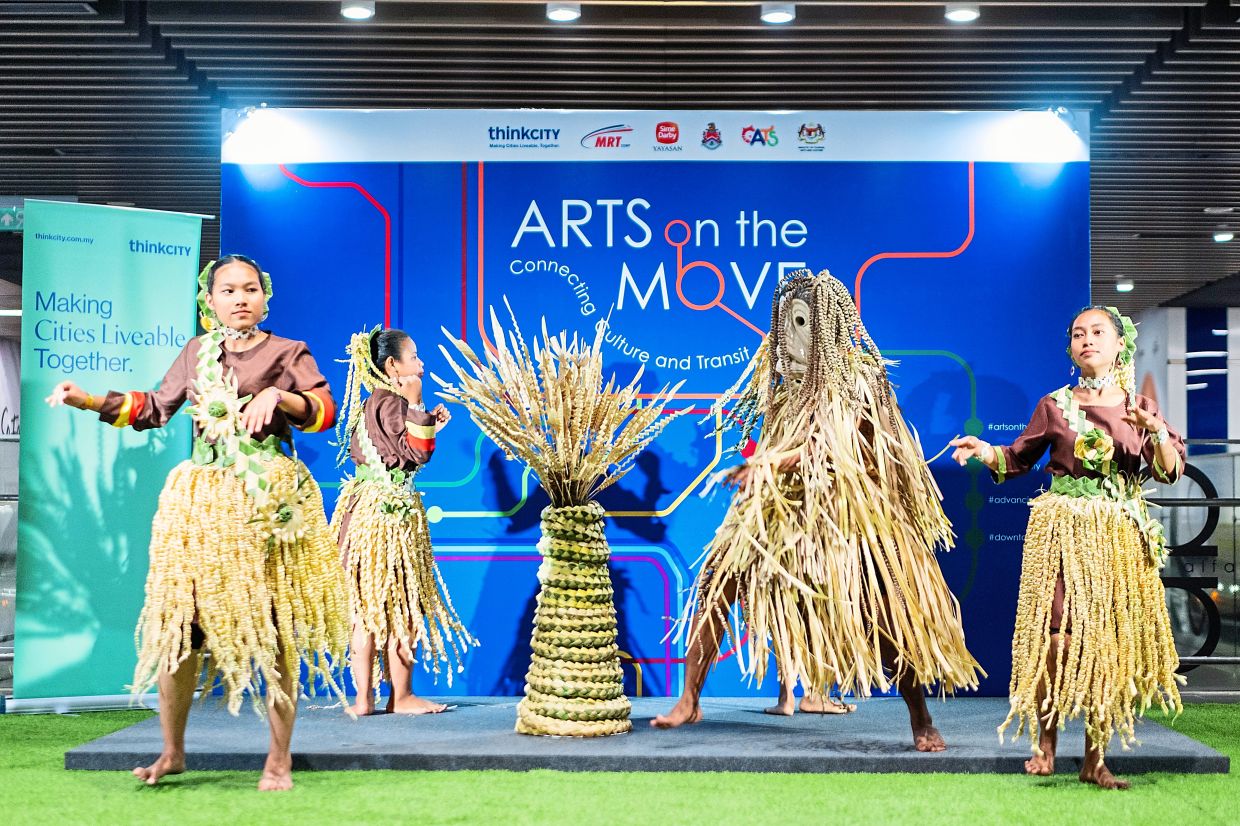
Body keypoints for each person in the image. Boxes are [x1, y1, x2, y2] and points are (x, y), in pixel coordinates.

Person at [46, 254, 350, 791]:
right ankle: (173, 752)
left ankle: (278, 760)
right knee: (179, 630)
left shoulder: (287, 353)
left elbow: (324, 409)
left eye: (250, 289)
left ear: (265, 296)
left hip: (264, 507)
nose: (240, 299)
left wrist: (278, 395)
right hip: (202, 507)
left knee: (274, 630)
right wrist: (87, 399)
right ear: (209, 301)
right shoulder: (196, 354)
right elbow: (152, 409)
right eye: (228, 290)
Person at [653, 268, 982, 751]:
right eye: (784, 324)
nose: (788, 336)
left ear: (825, 326)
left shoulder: (857, 383)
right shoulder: (784, 389)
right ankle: (689, 699)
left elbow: (829, 447)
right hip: (780, 511)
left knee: (886, 612)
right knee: (716, 582)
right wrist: (760, 476)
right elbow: (781, 441)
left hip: (851, 514)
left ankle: (920, 716)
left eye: (800, 323)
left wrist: (768, 463)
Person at [951, 306, 1185, 790]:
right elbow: (1017, 458)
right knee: (1054, 640)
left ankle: (1094, 760)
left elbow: (1168, 469)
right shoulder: (1054, 405)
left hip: (1115, 540)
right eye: (1079, 334)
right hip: (1061, 535)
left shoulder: (1140, 407)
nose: (1087, 340)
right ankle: (1046, 747)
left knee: (1103, 646)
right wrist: (985, 451)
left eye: (1098, 332)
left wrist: (1156, 429)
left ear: (1120, 343)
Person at [331, 326, 475, 716]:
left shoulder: (371, 402)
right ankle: (402, 695)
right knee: (401, 606)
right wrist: (416, 405)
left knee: (364, 608)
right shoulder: (396, 402)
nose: (421, 363)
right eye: (414, 357)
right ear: (392, 365)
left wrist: (425, 417)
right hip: (389, 519)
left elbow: (398, 449)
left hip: (361, 515)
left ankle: (363, 698)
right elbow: (418, 453)